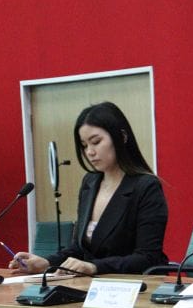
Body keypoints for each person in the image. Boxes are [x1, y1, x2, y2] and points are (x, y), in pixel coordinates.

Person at [9, 101, 168, 275]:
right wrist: (46, 262)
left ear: (122, 137)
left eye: (96, 142)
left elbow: (148, 258)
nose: (90, 152)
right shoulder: (90, 183)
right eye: (84, 145)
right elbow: (79, 248)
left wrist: (94, 267)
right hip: (90, 284)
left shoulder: (146, 186)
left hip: (132, 285)